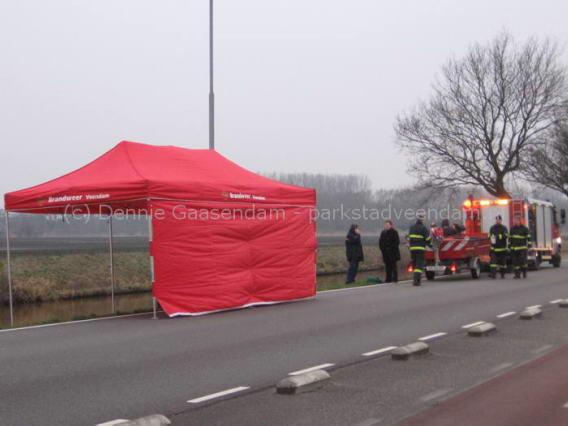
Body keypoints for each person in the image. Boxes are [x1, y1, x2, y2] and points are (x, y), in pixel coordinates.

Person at [407, 214, 431, 286]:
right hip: (420, 248)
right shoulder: (423, 228)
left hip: (412, 249)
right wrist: (429, 244)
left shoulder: (411, 228)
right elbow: (428, 239)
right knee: (419, 265)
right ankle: (416, 281)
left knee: (414, 264)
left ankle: (415, 279)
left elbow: (409, 238)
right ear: (422, 220)